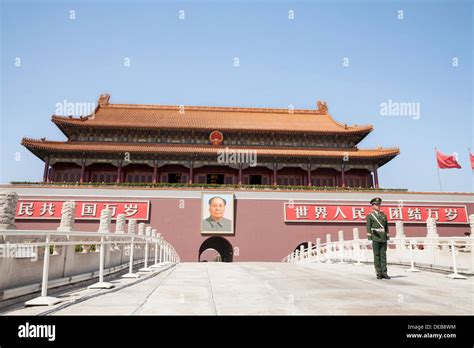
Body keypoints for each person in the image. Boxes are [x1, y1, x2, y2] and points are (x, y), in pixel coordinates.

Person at [366, 197, 390, 279]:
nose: (378, 206)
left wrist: (387, 237)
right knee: (377, 256)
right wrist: (369, 239)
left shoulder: (384, 215)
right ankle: (378, 273)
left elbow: (386, 227)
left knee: (383, 255)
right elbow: (368, 227)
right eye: (376, 204)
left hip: (383, 237)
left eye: (379, 204)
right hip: (375, 237)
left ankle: (384, 272)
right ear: (372, 206)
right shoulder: (370, 216)